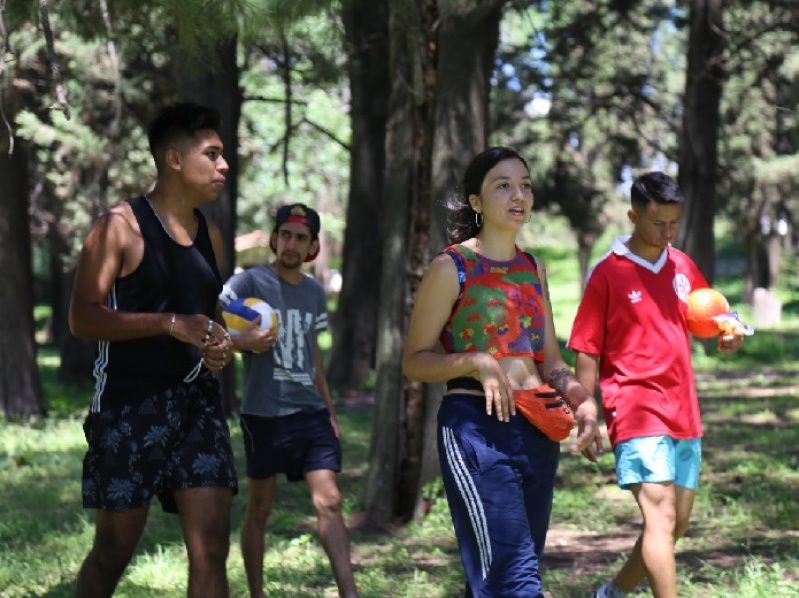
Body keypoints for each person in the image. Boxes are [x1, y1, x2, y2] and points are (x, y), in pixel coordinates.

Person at [401, 146, 602, 597]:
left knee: (503, 572)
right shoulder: (451, 267)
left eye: (525, 186)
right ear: (476, 201)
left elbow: (550, 361)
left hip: (537, 433)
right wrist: (476, 362)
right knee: (515, 579)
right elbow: (414, 360)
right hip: (475, 430)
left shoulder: (533, 268)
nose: (518, 195)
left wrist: (582, 401)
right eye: (503, 185)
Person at [68, 102, 238, 598]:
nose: (224, 165)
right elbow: (82, 317)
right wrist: (170, 324)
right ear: (174, 160)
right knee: (113, 552)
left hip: (198, 404)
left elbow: (209, 317)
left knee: (212, 550)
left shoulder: (210, 234)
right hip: (128, 404)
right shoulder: (117, 227)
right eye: (212, 154)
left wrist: (218, 344)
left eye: (223, 154)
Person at [567, 172, 745, 598]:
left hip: (683, 409)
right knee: (661, 518)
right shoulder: (607, 273)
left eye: (674, 223)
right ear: (633, 216)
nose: (668, 232)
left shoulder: (682, 264)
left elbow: (713, 313)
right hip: (633, 407)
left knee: (675, 523)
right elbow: (587, 350)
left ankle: (611, 593)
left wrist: (731, 332)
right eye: (658, 223)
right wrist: (585, 411)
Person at [219, 203, 360, 598]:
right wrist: (241, 341)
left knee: (330, 500)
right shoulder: (250, 282)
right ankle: (257, 593)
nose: (292, 244)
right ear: (274, 239)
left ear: (313, 246)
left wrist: (330, 411)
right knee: (260, 508)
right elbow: (212, 320)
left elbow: (314, 356)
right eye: (285, 235)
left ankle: (350, 593)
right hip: (264, 412)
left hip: (310, 412)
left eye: (301, 238)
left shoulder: (314, 292)